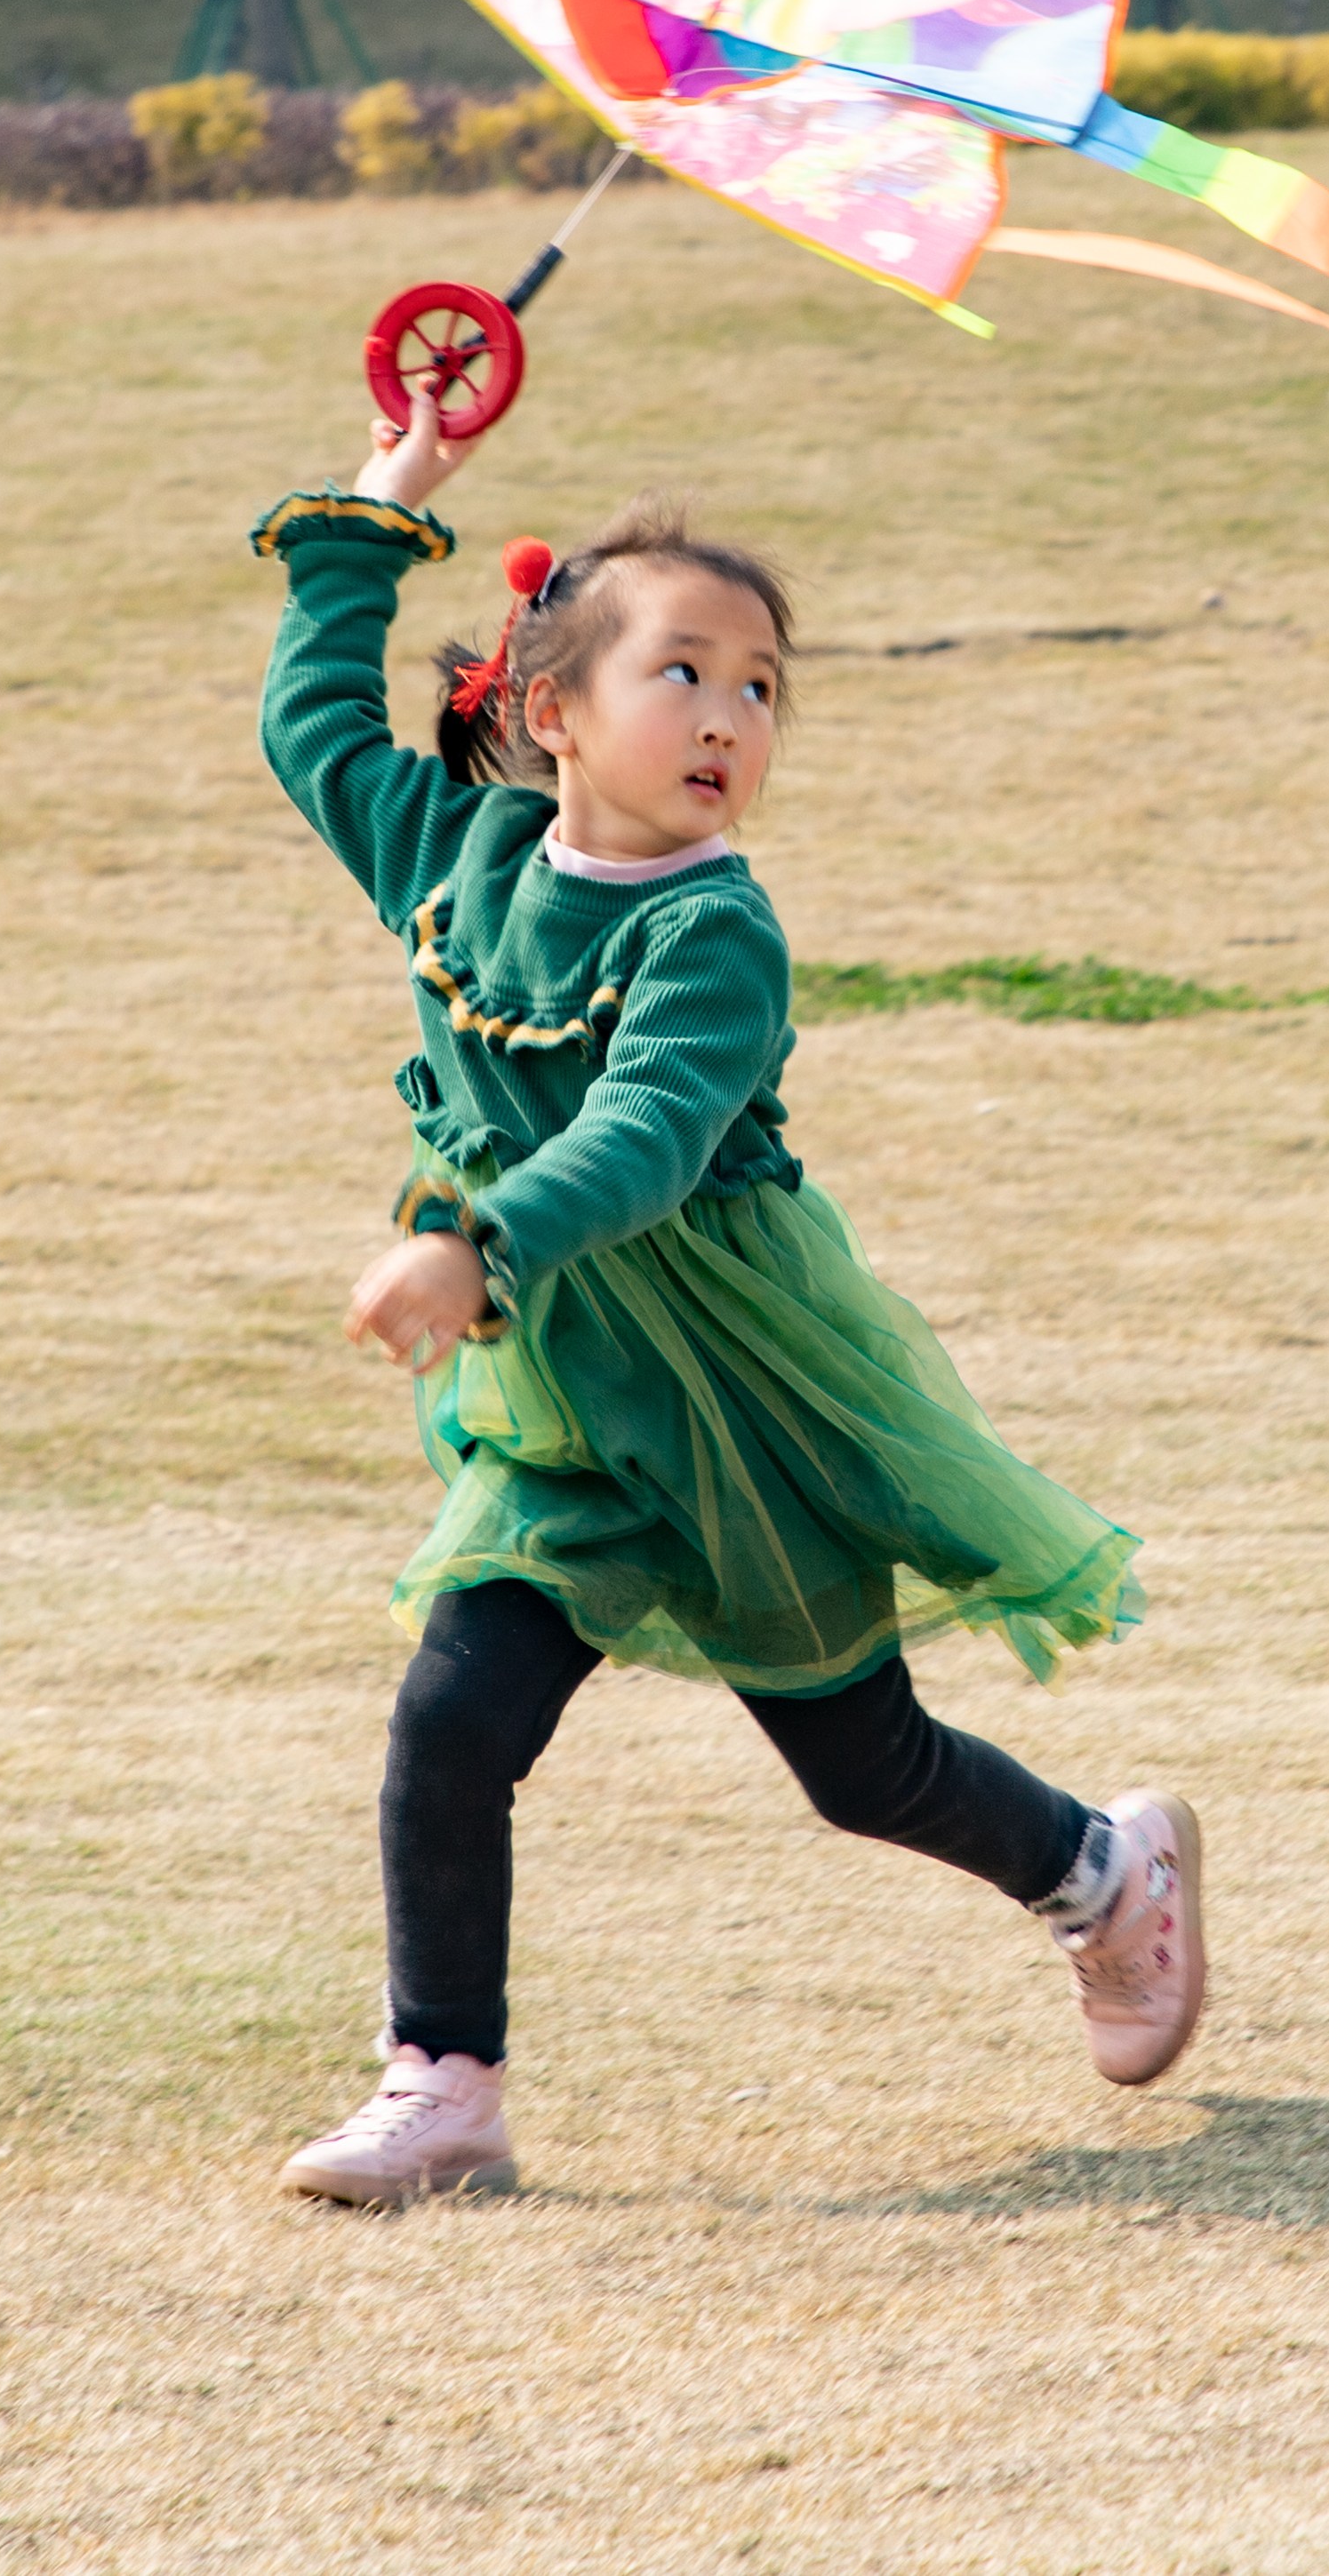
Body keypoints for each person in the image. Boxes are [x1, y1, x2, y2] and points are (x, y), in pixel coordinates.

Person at [251, 409, 1205, 2208]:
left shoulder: (716, 933)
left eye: (762, 689)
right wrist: (386, 502)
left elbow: (645, 1136)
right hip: (562, 1397)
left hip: (738, 1394)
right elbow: (312, 721)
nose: (726, 717)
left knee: (860, 1764)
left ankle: (1101, 1873)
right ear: (551, 710)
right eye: (680, 670)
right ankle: (443, 2083)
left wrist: (478, 1241)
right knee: (455, 1715)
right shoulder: (458, 864)